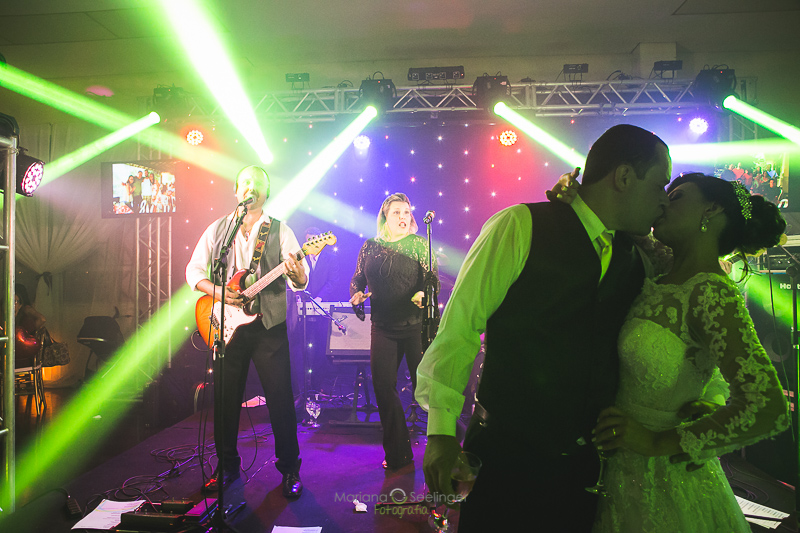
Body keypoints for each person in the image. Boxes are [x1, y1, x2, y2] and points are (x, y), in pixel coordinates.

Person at [415, 124, 671, 532]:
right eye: (659, 185)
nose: (663, 200)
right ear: (624, 177)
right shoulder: (520, 225)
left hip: (588, 471)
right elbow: (460, 326)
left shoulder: (637, 260)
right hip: (507, 458)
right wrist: (441, 432)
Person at [591, 173, 790, 532]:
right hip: (613, 466)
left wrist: (657, 442)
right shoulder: (660, 273)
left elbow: (767, 407)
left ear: (711, 209)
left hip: (661, 477)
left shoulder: (712, 292)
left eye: (676, 196)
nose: (663, 202)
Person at [186, 165, 308, 498]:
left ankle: (290, 469)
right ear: (236, 190)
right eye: (246, 183)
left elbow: (301, 278)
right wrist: (218, 292)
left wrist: (297, 273)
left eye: (258, 184)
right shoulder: (218, 230)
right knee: (225, 401)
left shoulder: (280, 230)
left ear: (266, 192)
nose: (251, 188)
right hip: (227, 326)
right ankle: (226, 467)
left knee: (280, 399)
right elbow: (193, 271)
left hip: (269, 327)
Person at [350, 193, 438, 470]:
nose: (403, 217)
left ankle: (443, 448)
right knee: (384, 388)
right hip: (383, 327)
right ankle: (398, 452)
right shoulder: (370, 246)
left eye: (406, 212)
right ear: (385, 217)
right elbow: (357, 278)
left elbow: (433, 279)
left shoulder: (419, 244)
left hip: (415, 327)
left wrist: (423, 293)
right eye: (396, 212)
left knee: (426, 388)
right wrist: (357, 293)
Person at [287, 226, 341, 400]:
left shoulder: (331, 258)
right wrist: (298, 296)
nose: (311, 243)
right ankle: (302, 389)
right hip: (301, 308)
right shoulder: (300, 258)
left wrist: (319, 298)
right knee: (301, 349)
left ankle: (317, 387)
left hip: (321, 308)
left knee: (320, 348)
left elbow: (333, 282)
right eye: (308, 240)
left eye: (313, 240)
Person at [14, 283, 46, 368]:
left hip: (21, 356)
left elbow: (42, 319)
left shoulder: (26, 312)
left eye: (16, 302)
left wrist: (33, 332)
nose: (13, 305)